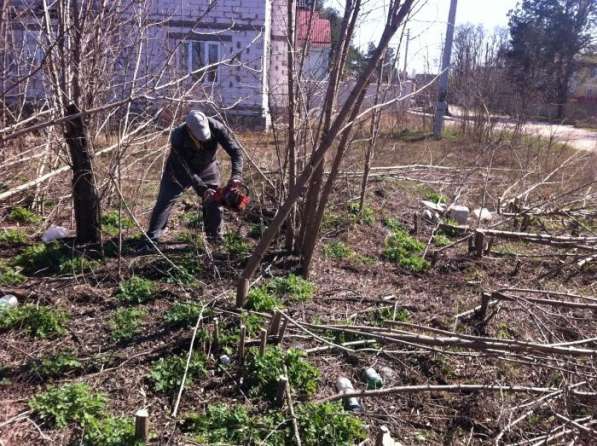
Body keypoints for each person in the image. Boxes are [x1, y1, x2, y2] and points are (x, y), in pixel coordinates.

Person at [147, 110, 243, 243]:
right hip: (179, 170)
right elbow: (186, 170)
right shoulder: (178, 136)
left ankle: (215, 238)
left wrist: (236, 176)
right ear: (189, 129)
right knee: (165, 201)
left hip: (207, 166)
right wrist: (203, 189)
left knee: (214, 200)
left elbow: (236, 152)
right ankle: (151, 239)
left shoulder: (217, 127)